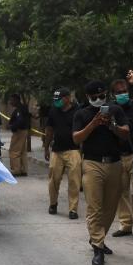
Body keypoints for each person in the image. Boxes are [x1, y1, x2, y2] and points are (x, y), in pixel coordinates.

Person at [73, 81, 130, 265]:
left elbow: (126, 133)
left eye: (101, 96)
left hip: (114, 162)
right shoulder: (82, 113)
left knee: (110, 207)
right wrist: (93, 124)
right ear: (88, 97)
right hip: (92, 163)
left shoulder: (116, 110)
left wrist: (112, 126)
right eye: (94, 97)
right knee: (94, 207)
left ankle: (97, 238)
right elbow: (76, 138)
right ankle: (98, 246)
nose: (99, 100)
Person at [110, 77, 133, 242]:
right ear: (113, 95)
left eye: (124, 91)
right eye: (118, 93)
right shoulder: (111, 110)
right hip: (118, 156)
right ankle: (125, 224)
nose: (122, 94)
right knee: (120, 191)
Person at [45, 88, 82, 219]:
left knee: (74, 181)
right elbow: (49, 129)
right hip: (57, 150)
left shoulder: (78, 110)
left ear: (67, 98)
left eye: (59, 100)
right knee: (53, 179)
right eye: (55, 100)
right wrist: (46, 148)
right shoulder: (53, 111)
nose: (57, 102)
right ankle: (53, 203)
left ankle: (73, 209)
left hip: (73, 150)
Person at [7, 93, 31, 177]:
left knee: (14, 151)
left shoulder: (19, 110)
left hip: (19, 131)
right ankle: (23, 169)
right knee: (22, 151)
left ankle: (16, 170)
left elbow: (19, 120)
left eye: (11, 100)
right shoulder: (23, 108)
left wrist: (12, 126)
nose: (10, 102)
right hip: (24, 131)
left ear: (16, 100)